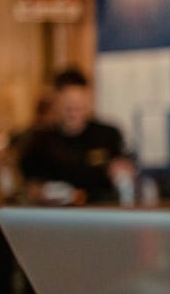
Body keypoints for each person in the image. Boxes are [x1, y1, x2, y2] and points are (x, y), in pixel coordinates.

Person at [19, 68, 136, 205]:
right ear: (56, 103)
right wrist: (41, 192)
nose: (73, 113)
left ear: (88, 102)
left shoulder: (108, 134)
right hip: (55, 216)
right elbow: (28, 185)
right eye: (68, 107)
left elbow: (126, 169)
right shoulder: (40, 140)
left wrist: (123, 172)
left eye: (78, 107)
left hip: (101, 212)